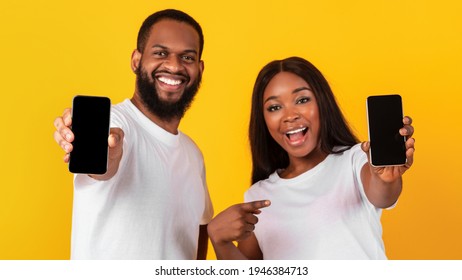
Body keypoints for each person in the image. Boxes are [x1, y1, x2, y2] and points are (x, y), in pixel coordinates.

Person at [207, 56, 415, 260]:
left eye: (302, 100)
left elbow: (382, 196)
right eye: (274, 107)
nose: (290, 115)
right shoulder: (258, 196)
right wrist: (219, 240)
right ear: (264, 120)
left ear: (322, 104)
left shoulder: (354, 160)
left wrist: (385, 178)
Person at [53, 9, 213, 260]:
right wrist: (106, 153)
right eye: (161, 53)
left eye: (187, 57)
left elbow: (200, 229)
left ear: (200, 68)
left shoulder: (193, 154)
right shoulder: (116, 124)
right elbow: (104, 164)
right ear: (136, 60)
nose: (174, 65)